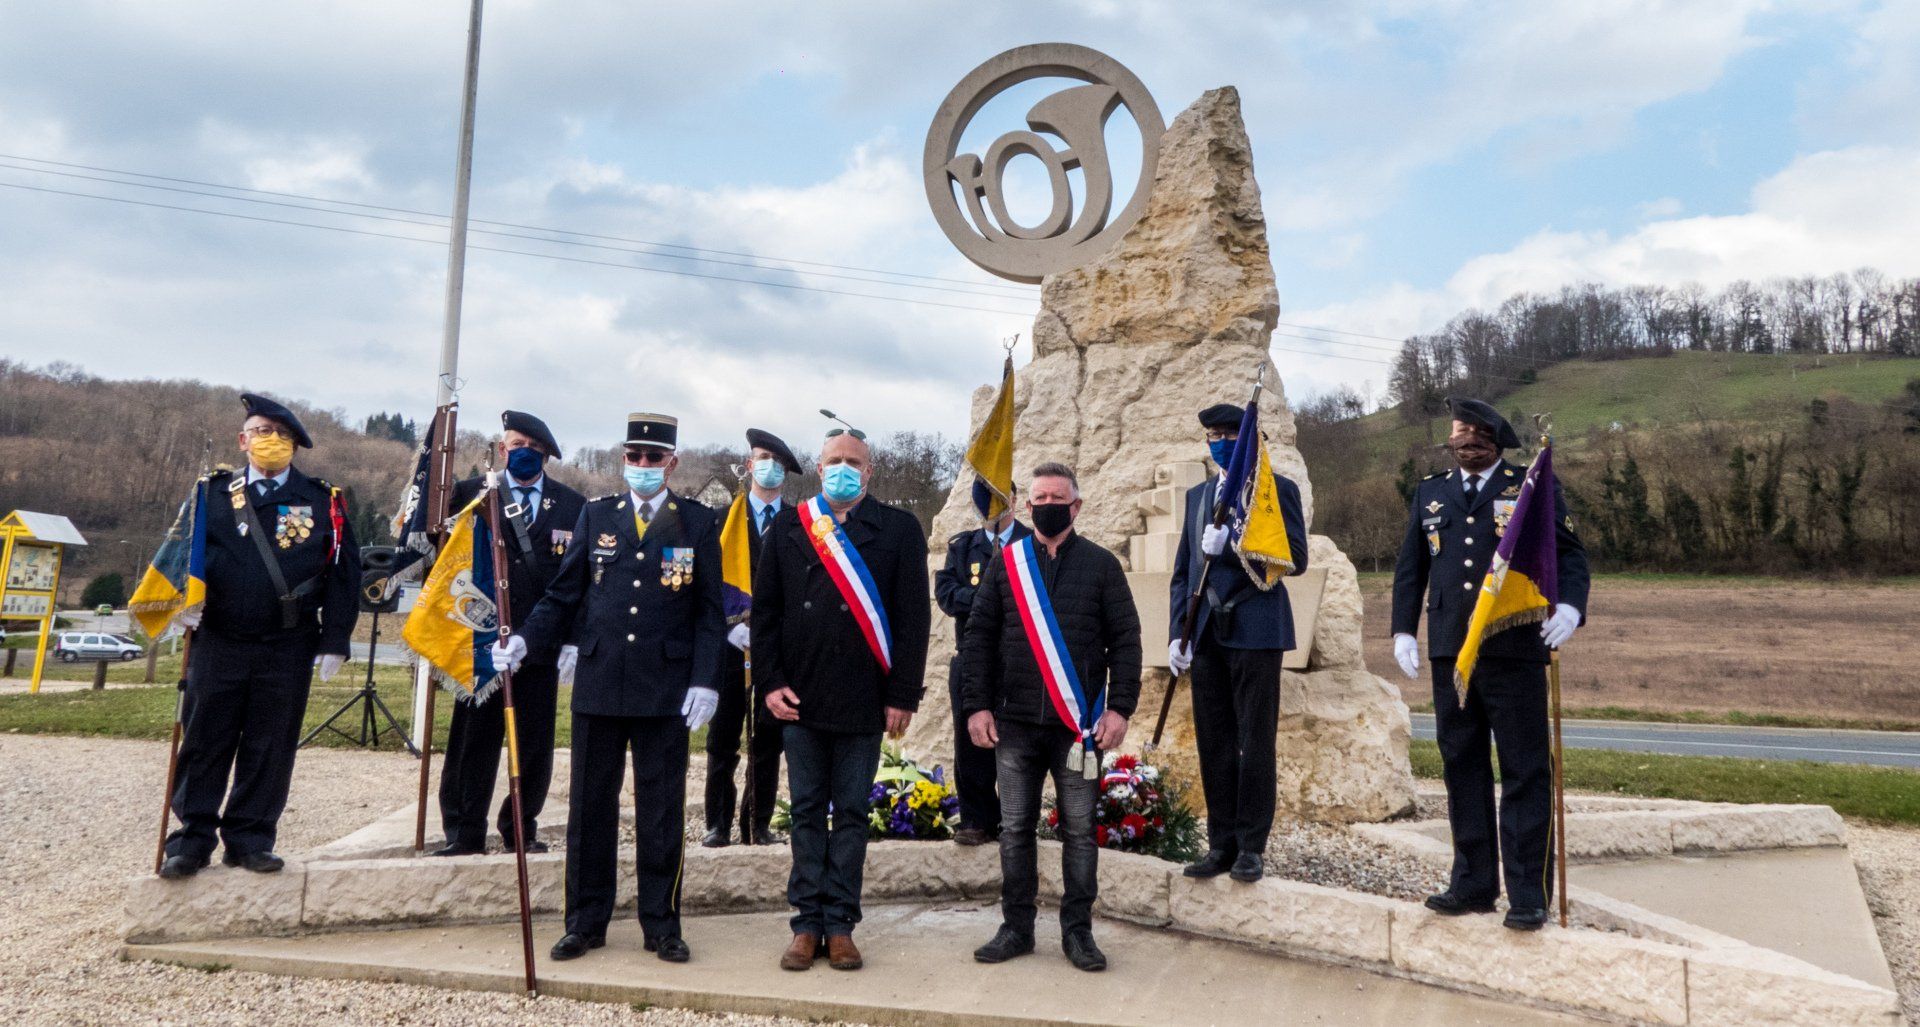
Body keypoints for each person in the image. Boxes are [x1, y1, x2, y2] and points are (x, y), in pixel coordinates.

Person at [494, 412, 725, 963]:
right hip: (600, 683)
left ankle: (661, 924)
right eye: (633, 457)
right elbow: (563, 594)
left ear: (672, 462)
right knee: (589, 810)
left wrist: (706, 681)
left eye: (653, 458)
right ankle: (585, 922)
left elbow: (710, 614)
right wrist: (526, 639)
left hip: (665, 688)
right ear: (624, 459)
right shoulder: (597, 515)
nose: (642, 466)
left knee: (661, 811)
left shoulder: (697, 522)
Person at [1390, 397, 1589, 931]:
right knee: (1463, 766)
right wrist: (1403, 629)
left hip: (1514, 647)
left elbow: (1568, 553)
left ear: (1497, 443)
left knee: (1524, 768)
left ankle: (1528, 894)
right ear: (1450, 442)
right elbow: (1412, 565)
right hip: (1451, 650)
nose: (1468, 445)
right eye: (1460, 436)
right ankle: (1474, 883)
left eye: (1479, 437)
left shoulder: (1528, 486)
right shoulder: (1432, 491)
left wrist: (1570, 606)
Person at [158, 393, 361, 879]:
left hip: (287, 644)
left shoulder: (322, 501)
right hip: (220, 638)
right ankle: (191, 840)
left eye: (282, 434)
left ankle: (250, 839)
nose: (271, 441)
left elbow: (344, 576)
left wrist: (335, 639)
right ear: (242, 440)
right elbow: (183, 553)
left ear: (295, 445)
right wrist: (181, 602)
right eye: (261, 431)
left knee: (270, 745)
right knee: (205, 738)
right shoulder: (211, 494)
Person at [755, 425, 929, 972]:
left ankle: (841, 924)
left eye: (854, 460)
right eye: (834, 460)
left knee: (851, 813)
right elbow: (765, 614)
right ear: (819, 465)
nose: (843, 468)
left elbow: (912, 620)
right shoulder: (789, 526)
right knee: (806, 810)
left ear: (870, 471)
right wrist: (769, 682)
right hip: (800, 697)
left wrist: (903, 694)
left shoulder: (899, 529)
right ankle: (806, 923)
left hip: (864, 700)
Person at [961, 463, 1141, 972]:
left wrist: (1120, 707)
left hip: (1076, 728)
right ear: (1027, 505)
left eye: (1056, 497)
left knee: (1080, 832)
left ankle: (1078, 933)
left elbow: (1125, 640)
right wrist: (976, 705)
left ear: (1076, 505)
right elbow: (979, 637)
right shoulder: (1007, 563)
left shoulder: (1103, 566)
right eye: (1038, 497)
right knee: (1015, 829)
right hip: (1014, 724)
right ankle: (1016, 927)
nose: (1046, 504)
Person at [432, 411, 586, 857]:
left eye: (534, 450)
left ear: (547, 457)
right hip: (480, 643)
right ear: (502, 449)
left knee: (535, 745)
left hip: (539, 645)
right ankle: (464, 830)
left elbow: (578, 583)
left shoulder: (572, 506)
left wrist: (570, 640)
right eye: (516, 445)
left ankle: (521, 825)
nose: (524, 453)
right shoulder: (469, 495)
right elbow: (448, 566)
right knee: (471, 742)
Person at [1167, 402, 1308, 885]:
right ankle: (1220, 844)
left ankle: (1251, 846)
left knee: (1254, 741)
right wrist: (1176, 636)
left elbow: (1297, 558)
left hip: (1256, 628)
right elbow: (1184, 573)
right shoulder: (1197, 496)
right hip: (1205, 633)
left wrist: (1229, 544)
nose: (1220, 442)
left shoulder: (1275, 491)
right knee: (1215, 744)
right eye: (1212, 436)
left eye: (1229, 434)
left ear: (1249, 440)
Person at [702, 428, 801, 848]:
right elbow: (706, 585)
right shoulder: (721, 521)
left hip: (777, 648)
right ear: (748, 465)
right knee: (722, 740)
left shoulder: (801, 522)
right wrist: (729, 626)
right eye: (763, 458)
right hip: (729, 646)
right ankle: (718, 824)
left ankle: (757, 825)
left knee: (768, 739)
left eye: (778, 462)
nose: (769, 467)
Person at [933, 484, 1029, 846]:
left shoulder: (1031, 543)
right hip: (972, 660)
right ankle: (976, 819)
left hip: (1019, 661)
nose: (991, 506)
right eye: (984, 499)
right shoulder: (963, 547)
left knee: (1017, 743)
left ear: (1014, 501)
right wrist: (990, 598)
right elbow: (947, 594)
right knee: (971, 743)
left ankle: (1015, 820)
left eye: (1000, 497)